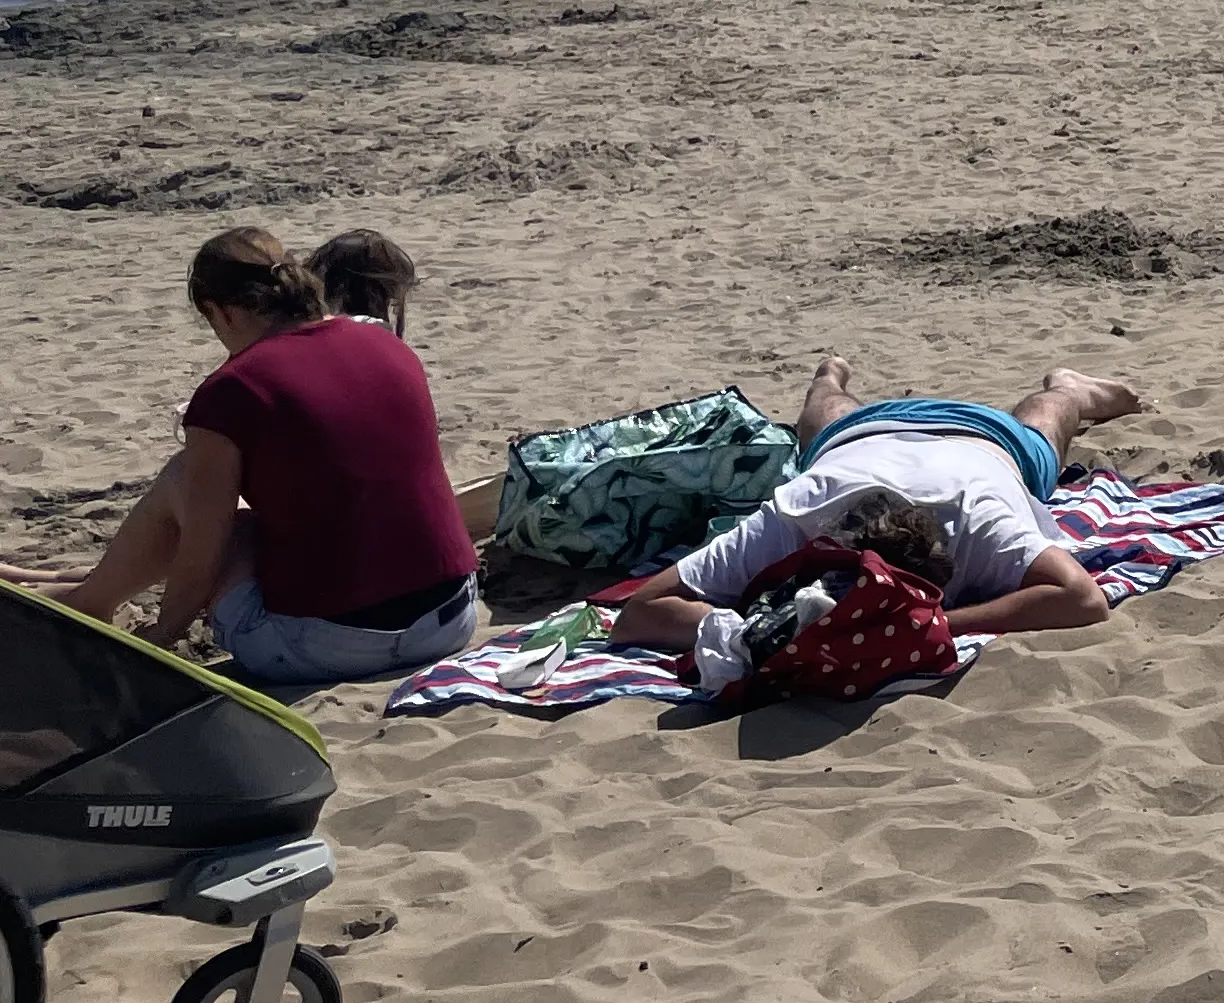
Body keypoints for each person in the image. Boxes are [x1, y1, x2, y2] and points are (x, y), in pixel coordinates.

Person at [30, 227, 481, 688]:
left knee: (192, 484)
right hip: (449, 621)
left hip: (330, 646)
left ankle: (95, 600)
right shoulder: (388, 347)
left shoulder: (232, 389)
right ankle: (93, 592)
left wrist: (163, 636)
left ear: (221, 313)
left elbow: (203, 552)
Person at [608, 355, 1146, 658]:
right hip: (864, 440)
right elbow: (640, 614)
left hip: (976, 442)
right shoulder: (798, 515)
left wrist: (936, 623)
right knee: (825, 423)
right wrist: (752, 634)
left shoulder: (978, 521)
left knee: (1048, 422)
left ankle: (1071, 389)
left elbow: (1084, 600)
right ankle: (828, 378)